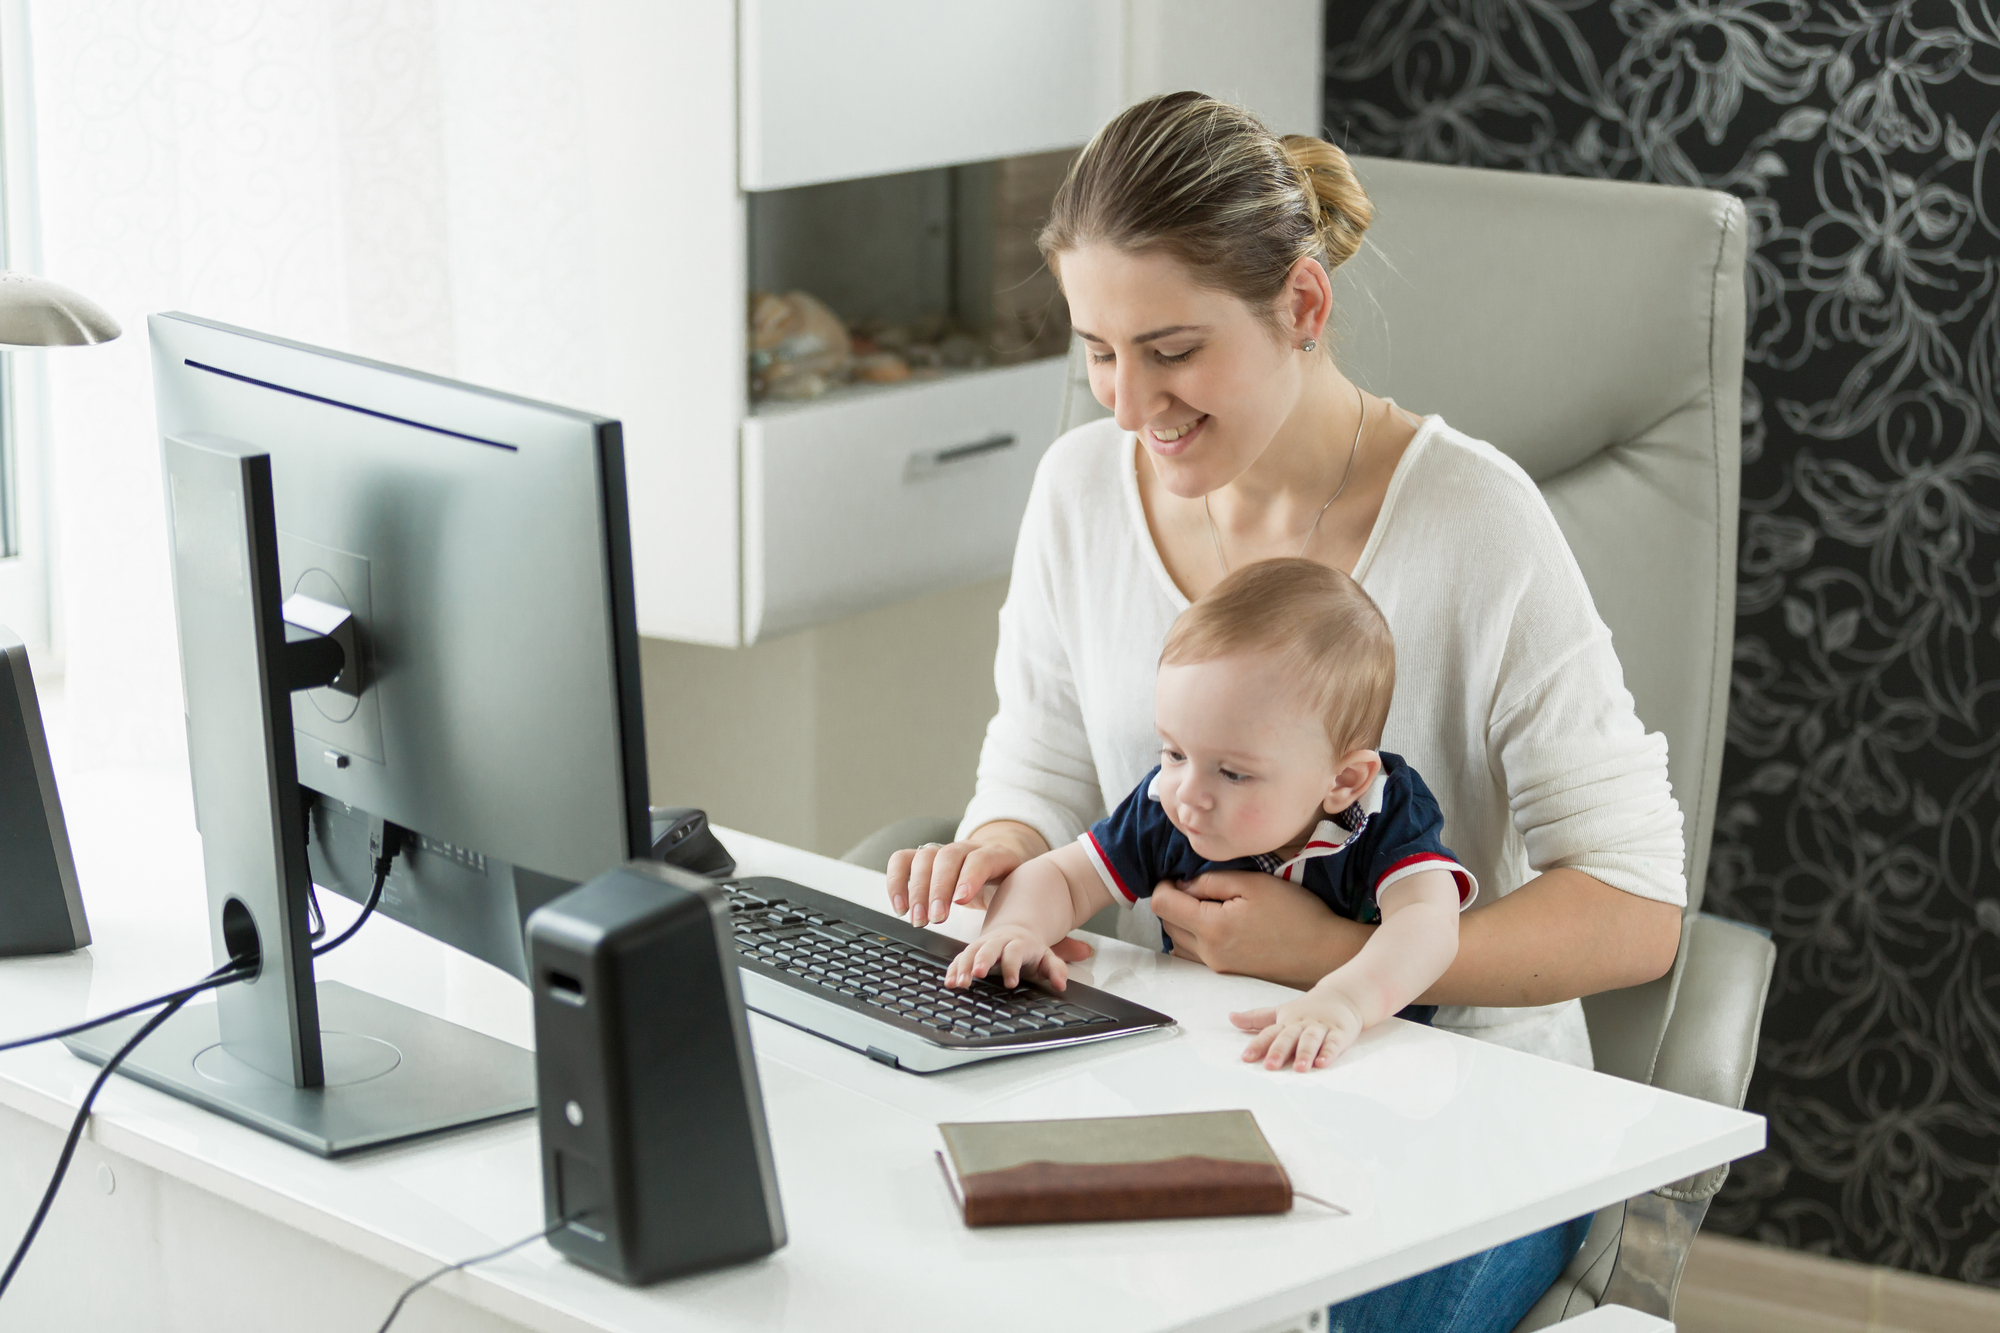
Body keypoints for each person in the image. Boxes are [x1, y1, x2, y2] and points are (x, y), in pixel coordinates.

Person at [884, 91, 1687, 1331]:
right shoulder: (1078, 493)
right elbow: (1040, 761)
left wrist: (1336, 964)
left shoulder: (1476, 522)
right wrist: (999, 861)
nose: (1125, 401)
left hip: (1455, 1120)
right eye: (1097, 350)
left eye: (1171, 349)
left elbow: (1636, 908)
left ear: (1300, 307)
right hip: (1168, 1082)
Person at [939, 558, 1476, 1072]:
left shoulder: (1383, 812)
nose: (1188, 793)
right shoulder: (1166, 807)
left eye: (1234, 773)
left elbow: (1428, 924)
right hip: (1200, 1048)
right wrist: (1018, 928)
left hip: (1367, 1064)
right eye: (1173, 753)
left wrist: (1344, 1002)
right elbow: (1061, 875)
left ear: (1342, 782)